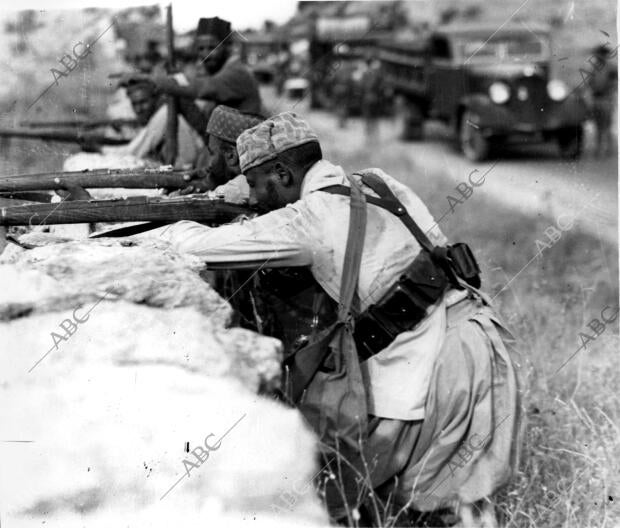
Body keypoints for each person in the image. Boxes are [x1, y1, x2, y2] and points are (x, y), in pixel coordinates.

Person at [147, 112, 521, 525]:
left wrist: (149, 232)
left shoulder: (311, 219)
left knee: (398, 501)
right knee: (463, 509)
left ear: (285, 175)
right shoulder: (377, 183)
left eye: (257, 186)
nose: (255, 199)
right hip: (481, 338)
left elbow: (200, 247)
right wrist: (240, 187)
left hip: (441, 372)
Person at [73, 80, 204, 169]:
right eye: (135, 104)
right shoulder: (158, 116)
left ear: (156, 99)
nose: (139, 109)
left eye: (143, 102)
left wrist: (98, 148)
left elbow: (134, 150)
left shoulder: (164, 115)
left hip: (184, 170)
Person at [587, 45, 617, 157]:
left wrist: (608, 94)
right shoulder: (594, 68)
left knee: (607, 125)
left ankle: (609, 149)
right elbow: (590, 83)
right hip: (597, 98)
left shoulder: (611, 68)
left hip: (606, 99)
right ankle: (599, 149)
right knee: (598, 126)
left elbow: (613, 84)